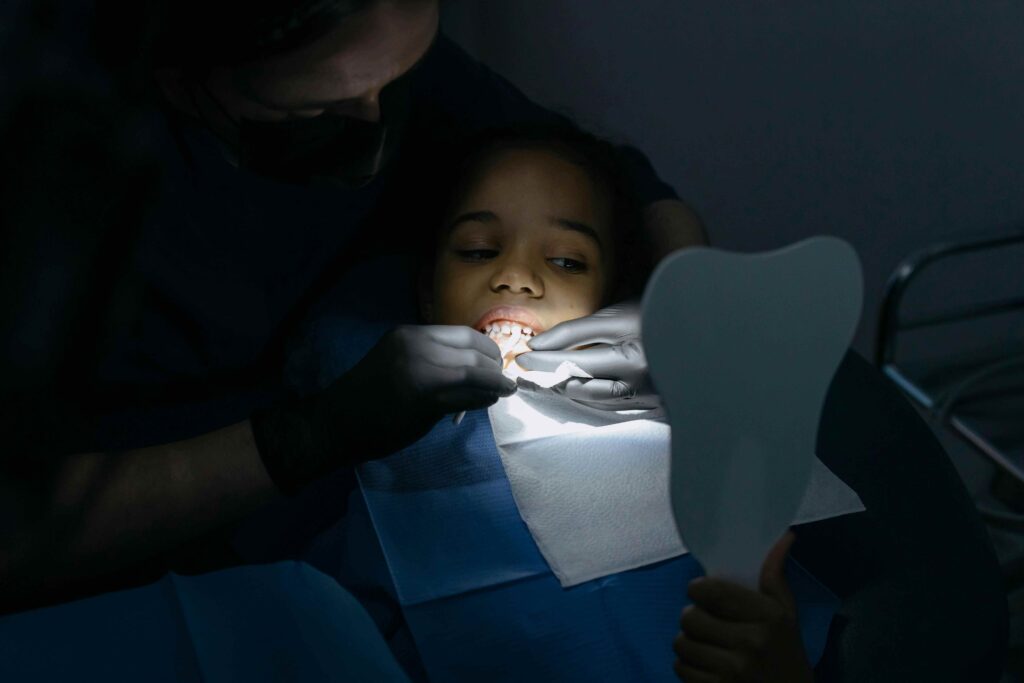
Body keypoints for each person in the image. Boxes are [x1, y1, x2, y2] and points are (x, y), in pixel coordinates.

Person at [0, 0, 707, 613]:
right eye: (319, 106)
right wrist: (306, 437)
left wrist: (673, 307)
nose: (376, 114)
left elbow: (625, 184)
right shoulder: (61, 171)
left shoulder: (374, 50)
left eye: (399, 74)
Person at [235, 122, 1008, 682]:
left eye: (565, 258)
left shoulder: (664, 416)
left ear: (612, 293)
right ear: (423, 279)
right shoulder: (365, 391)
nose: (516, 277)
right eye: (478, 249)